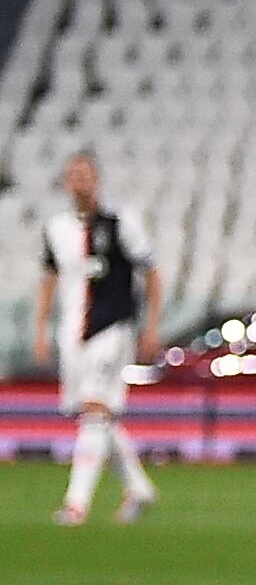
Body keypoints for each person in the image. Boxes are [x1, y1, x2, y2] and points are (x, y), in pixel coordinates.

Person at [34, 152, 163, 526]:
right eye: (73, 175)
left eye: (86, 175)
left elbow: (151, 273)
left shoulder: (122, 223)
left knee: (93, 411)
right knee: (97, 416)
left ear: (98, 180)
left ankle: (76, 505)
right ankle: (139, 488)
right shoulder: (56, 228)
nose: (80, 181)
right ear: (64, 182)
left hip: (112, 328)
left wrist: (151, 326)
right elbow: (49, 279)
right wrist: (41, 329)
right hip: (72, 334)